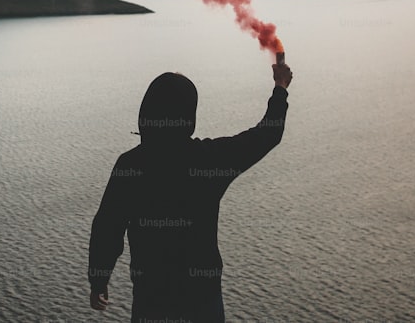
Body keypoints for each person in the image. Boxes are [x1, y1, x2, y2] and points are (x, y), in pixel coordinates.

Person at [88, 61, 293, 322]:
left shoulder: (131, 165)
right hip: (202, 300)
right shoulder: (209, 160)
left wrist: (98, 280)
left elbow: (108, 227)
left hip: (151, 300)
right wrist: (280, 87)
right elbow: (268, 134)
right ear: (189, 116)